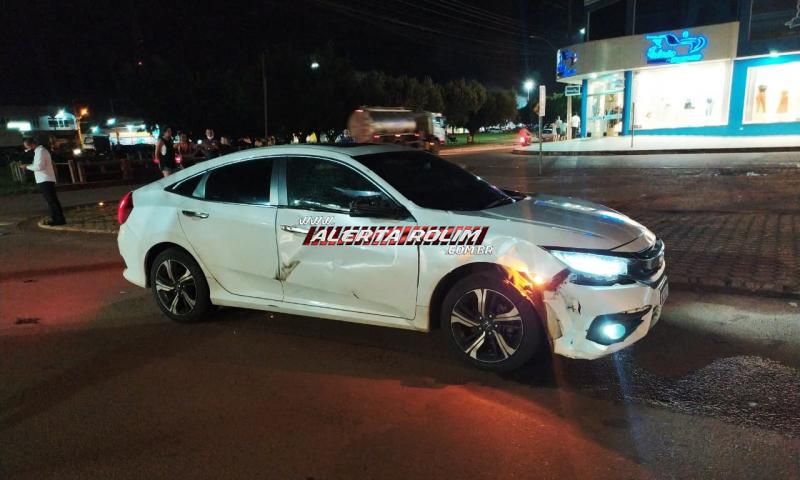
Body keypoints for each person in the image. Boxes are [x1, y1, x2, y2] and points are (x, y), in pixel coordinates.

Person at [19, 137, 66, 225]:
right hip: (45, 178)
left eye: (27, 146)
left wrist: (27, 167)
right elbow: (38, 165)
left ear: (32, 144)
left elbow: (39, 167)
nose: (27, 148)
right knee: (51, 200)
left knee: (52, 200)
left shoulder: (40, 151)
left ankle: (59, 219)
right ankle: (56, 218)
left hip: (45, 179)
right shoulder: (39, 151)